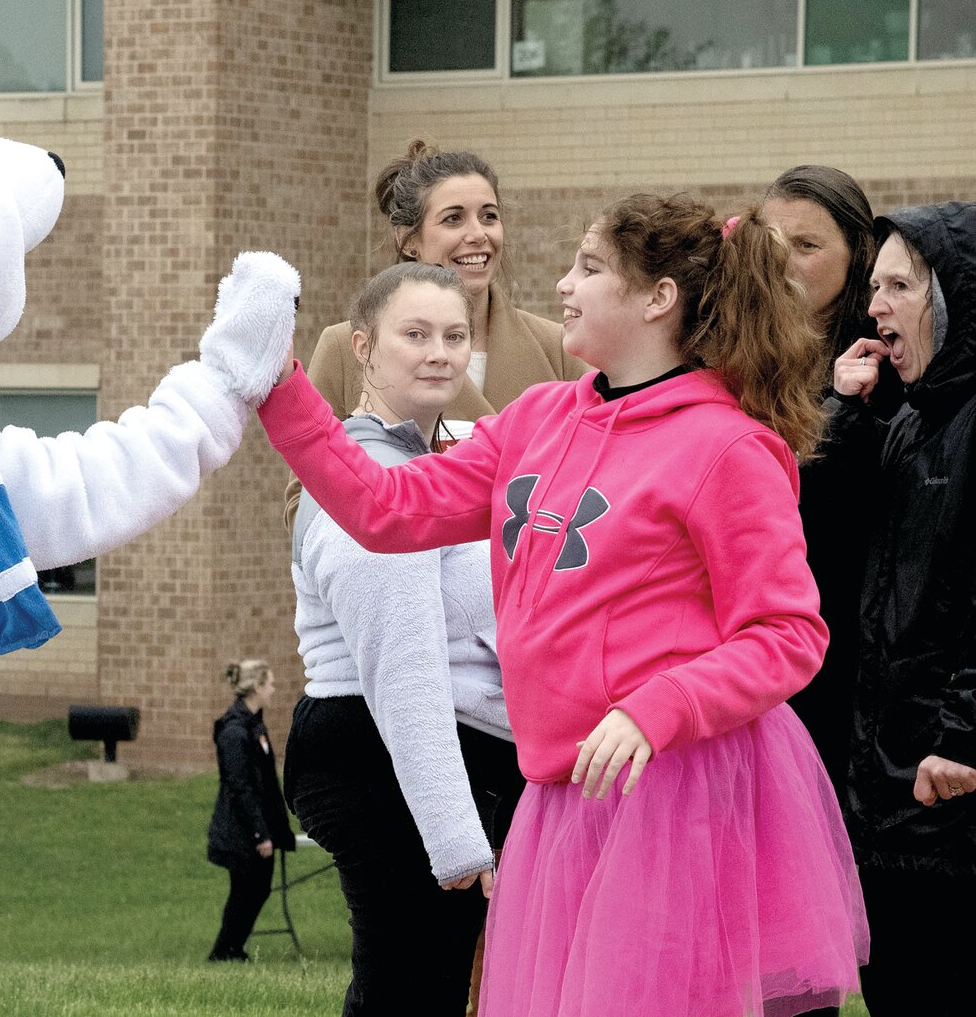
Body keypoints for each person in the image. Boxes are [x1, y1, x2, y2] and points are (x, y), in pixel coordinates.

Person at [256, 194, 868, 1016]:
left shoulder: (728, 447)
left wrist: (660, 707)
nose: (561, 284)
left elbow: (787, 633)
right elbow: (384, 508)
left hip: (684, 791)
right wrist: (277, 382)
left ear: (658, 299)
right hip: (564, 792)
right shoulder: (539, 417)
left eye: (588, 267)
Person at [286, 262, 522, 1016]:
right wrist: (454, 837)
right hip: (379, 752)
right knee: (409, 991)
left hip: (426, 756)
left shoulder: (429, 464)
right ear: (362, 346)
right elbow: (405, 667)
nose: (438, 352)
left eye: (455, 335)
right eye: (414, 334)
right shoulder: (367, 474)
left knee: (435, 986)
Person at [823, 201, 976, 1017]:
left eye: (897, 286)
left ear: (952, 295)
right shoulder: (907, 417)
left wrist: (964, 733)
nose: (874, 306)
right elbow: (821, 542)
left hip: (948, 792)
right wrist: (849, 413)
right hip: (886, 799)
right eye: (873, 286)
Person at [286, 141, 586, 527]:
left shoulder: (556, 348)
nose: (478, 234)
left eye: (489, 216)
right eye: (453, 219)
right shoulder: (348, 346)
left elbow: (593, 483)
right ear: (408, 240)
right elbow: (305, 500)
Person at [762, 165, 886, 806]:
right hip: (759, 650)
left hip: (843, 653)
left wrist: (839, 408)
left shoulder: (879, 365)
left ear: (856, 255)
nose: (785, 262)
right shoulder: (741, 356)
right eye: (773, 244)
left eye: (807, 246)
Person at [206, 659, 294, 962]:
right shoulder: (234, 731)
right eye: (269, 683)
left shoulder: (255, 725)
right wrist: (260, 834)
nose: (273, 689)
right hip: (240, 829)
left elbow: (265, 783)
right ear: (256, 686)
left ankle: (232, 948)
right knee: (246, 891)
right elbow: (240, 786)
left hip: (257, 826)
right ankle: (224, 950)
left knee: (256, 890)